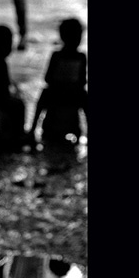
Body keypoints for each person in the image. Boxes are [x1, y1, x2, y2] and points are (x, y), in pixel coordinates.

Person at [29, 17, 87, 168]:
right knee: (47, 94)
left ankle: (33, 128)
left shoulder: (72, 56)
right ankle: (32, 129)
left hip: (64, 92)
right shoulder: (77, 57)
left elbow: (48, 77)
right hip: (62, 92)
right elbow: (50, 79)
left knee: (81, 96)